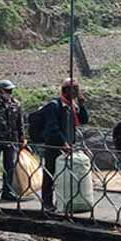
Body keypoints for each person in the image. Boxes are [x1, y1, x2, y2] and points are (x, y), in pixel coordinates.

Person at [41, 78, 90, 212]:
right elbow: (52, 127)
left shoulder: (72, 106)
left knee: (66, 175)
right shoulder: (55, 106)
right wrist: (63, 143)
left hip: (69, 145)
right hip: (54, 145)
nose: (75, 92)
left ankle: (64, 201)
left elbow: (84, 120)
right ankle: (47, 202)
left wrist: (82, 105)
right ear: (65, 91)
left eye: (76, 89)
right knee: (50, 173)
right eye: (73, 90)